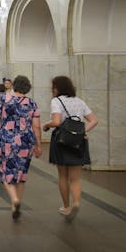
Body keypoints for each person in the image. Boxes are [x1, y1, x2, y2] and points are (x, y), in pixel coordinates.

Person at [0, 75, 42, 220]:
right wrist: (38, 145)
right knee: (21, 174)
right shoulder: (32, 103)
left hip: (7, 140)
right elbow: (36, 126)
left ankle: (14, 199)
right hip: (26, 141)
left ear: (14, 85)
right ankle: (17, 202)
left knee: (5, 171)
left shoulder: (4, 100)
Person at [42, 76, 98, 221]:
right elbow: (94, 120)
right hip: (78, 141)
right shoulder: (79, 101)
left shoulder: (56, 101)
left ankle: (67, 207)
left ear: (57, 88)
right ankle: (77, 203)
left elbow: (56, 121)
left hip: (61, 140)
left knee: (63, 176)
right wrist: (83, 131)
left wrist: (46, 125)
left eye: (53, 87)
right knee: (75, 178)